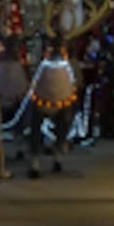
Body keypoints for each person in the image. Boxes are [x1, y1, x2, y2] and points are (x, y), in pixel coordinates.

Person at [26, 39, 78, 177]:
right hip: (60, 102)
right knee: (64, 121)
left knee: (36, 125)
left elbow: (33, 82)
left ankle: (37, 159)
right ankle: (56, 154)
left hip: (44, 101)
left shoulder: (43, 65)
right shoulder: (67, 66)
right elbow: (75, 82)